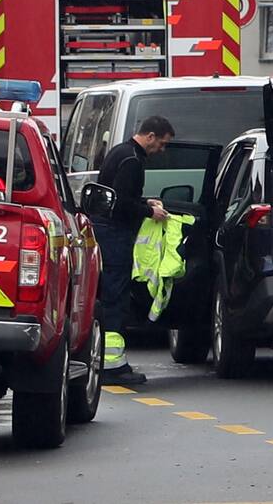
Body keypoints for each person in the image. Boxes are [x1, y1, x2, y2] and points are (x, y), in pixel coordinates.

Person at [93, 115, 174, 385]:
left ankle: (105, 361)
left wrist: (144, 202)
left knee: (109, 294)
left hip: (105, 229)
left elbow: (118, 195)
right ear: (150, 136)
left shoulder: (121, 152)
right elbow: (121, 203)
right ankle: (112, 366)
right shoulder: (133, 161)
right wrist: (149, 211)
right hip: (114, 234)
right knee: (115, 297)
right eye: (161, 143)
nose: (161, 150)